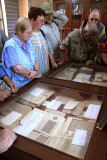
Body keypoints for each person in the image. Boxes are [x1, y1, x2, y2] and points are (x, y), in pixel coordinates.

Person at [2, 17, 42, 89]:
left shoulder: (28, 42)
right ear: (19, 31)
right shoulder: (10, 45)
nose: (31, 35)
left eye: (31, 32)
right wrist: (35, 74)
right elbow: (17, 69)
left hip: (31, 82)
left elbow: (36, 60)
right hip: (19, 86)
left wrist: (35, 71)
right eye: (28, 33)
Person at [28, 7, 57, 74]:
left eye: (43, 21)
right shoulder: (27, 36)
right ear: (32, 20)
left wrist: (52, 61)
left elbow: (49, 49)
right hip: (34, 72)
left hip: (46, 69)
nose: (43, 23)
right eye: (41, 21)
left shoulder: (42, 33)